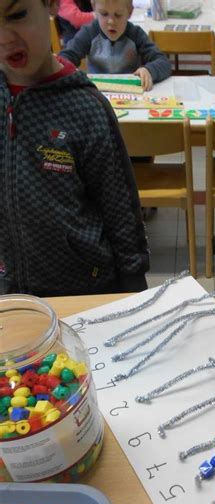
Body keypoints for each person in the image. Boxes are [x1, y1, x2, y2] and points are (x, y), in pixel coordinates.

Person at [0, 0, 149, 296]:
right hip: (11, 292)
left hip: (83, 289)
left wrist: (133, 287)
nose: (4, 38)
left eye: (17, 15)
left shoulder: (85, 108)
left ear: (52, 5)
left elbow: (120, 209)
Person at [59, 0, 171, 91]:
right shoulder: (89, 32)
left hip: (131, 93)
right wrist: (72, 72)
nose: (111, 21)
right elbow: (64, 58)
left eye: (118, 15)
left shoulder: (135, 34)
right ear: (94, 8)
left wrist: (149, 70)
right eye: (104, 14)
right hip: (98, 93)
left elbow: (163, 61)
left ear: (130, 12)